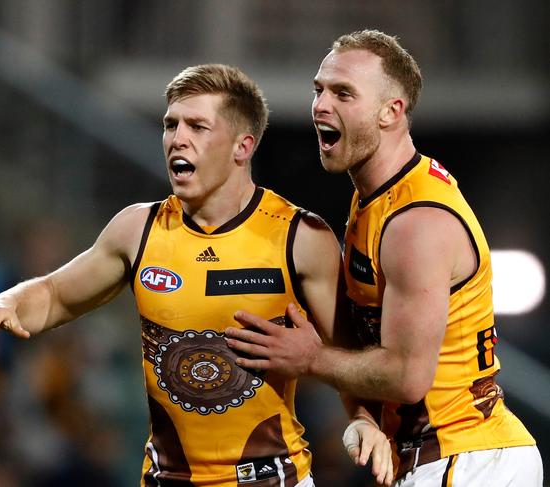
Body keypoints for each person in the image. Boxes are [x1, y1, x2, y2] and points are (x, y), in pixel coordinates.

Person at [0, 64, 393, 486]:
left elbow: (349, 352)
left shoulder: (300, 237)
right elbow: (56, 295)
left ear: (242, 147)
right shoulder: (137, 231)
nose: (177, 139)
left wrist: (363, 420)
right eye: (171, 125)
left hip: (271, 479)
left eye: (197, 127)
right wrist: (7, 301)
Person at [224, 30, 543, 486]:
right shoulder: (376, 198)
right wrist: (365, 418)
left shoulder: (416, 223)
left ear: (391, 112)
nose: (320, 105)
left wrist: (310, 359)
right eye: (319, 89)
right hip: (447, 456)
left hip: (465, 459)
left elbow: (408, 375)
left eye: (343, 93)